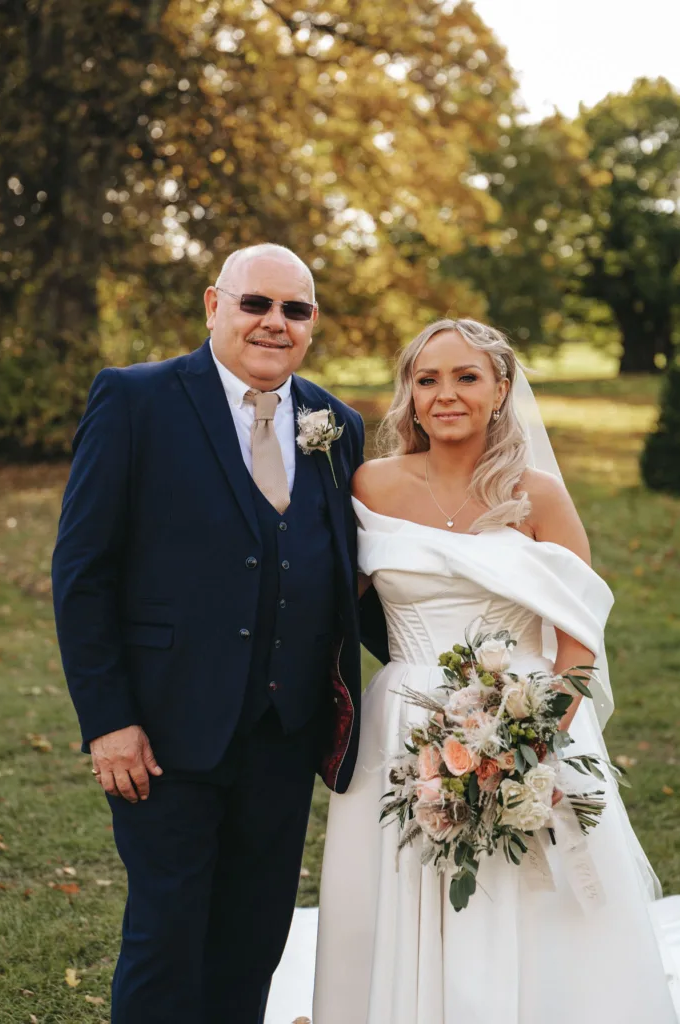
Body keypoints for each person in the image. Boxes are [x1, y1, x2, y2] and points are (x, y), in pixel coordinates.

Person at [310, 318, 680, 1023]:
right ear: (409, 396)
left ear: (500, 389)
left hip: (526, 721)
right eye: (427, 380)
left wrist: (528, 748)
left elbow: (577, 642)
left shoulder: (535, 493)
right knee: (396, 894)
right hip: (401, 729)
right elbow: (328, 605)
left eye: (465, 377)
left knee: (525, 902)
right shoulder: (369, 485)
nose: (444, 394)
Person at [51, 243, 385, 1024]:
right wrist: (108, 722)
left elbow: (350, 576)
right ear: (213, 305)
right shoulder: (135, 401)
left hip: (285, 730)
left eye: (294, 310)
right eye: (255, 304)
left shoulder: (334, 424)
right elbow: (83, 574)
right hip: (163, 732)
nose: (274, 322)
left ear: (310, 323)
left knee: (252, 937)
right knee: (166, 938)